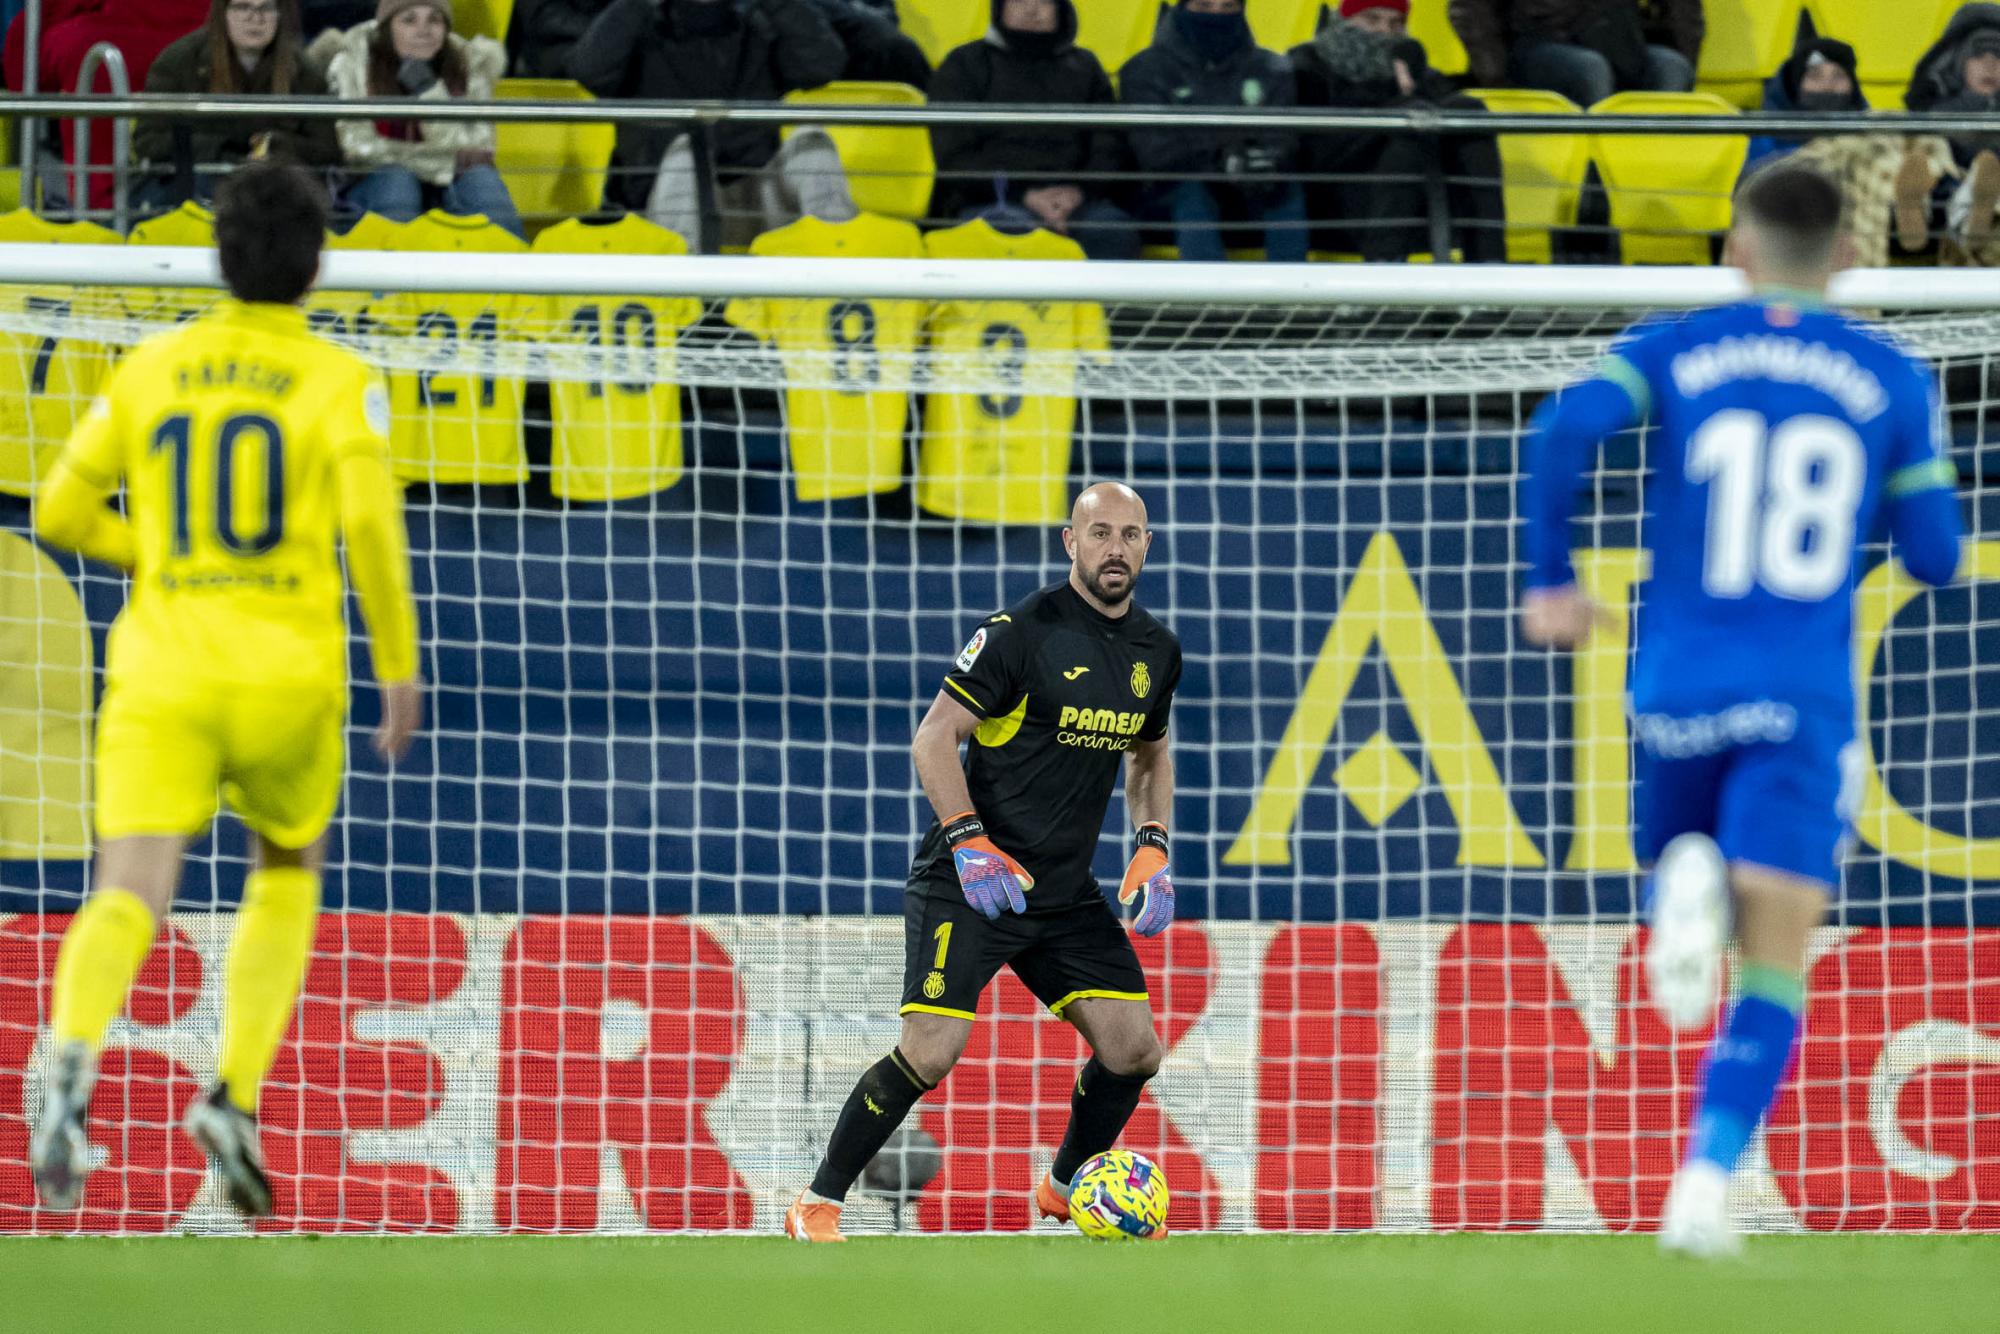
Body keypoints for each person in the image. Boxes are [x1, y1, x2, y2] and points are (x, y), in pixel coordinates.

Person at [1517, 161, 1963, 1257]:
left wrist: (1551, 580)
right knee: (1773, 961)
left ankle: (1685, 871)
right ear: (1847, 256)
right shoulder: (1890, 378)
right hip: (1799, 696)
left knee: (1685, 853)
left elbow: (1560, 432)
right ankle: (1702, 1185)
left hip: (1673, 682)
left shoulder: (1674, 348)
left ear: (1735, 249)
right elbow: (1935, 557)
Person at [28, 162, 423, 1219]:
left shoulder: (152, 366)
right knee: (286, 865)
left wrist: (158, 554)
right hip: (288, 674)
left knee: (128, 887)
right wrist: (397, 662)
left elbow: (58, 511)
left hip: (164, 668)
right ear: (317, 264)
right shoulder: (337, 378)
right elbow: (370, 528)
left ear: (218, 257)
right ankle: (233, 1096)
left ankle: (68, 1066)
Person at [784, 482, 1183, 1242]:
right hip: (971, 883)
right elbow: (934, 737)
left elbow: (1150, 752)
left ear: (1147, 546)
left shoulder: (1157, 651)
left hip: (1062, 894)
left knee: (1134, 1051)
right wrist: (968, 839)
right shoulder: (1018, 634)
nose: (1116, 549)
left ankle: (1063, 1188)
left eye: (1131, 535)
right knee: (931, 1053)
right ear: (1070, 542)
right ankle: (817, 1202)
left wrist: (1153, 842)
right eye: (1100, 532)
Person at [568, 0, 852, 250]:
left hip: (751, 200)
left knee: (812, 143)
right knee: (686, 154)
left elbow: (823, 66)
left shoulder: (762, 25)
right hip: (658, 200)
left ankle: (837, 278)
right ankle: (685, 288)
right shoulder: (640, 24)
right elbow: (588, 72)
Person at [1291, 0, 1505, 262]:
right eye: (1372, 19)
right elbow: (1314, 153)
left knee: (1468, 110)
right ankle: (1384, 261)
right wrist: (1395, 105)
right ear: (1344, 20)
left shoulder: (1415, 69)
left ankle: (1489, 259)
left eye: (1396, 23)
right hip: (1338, 200)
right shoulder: (1308, 65)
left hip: (1420, 203)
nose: (1385, 31)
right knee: (1411, 117)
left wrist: (1411, 90)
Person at [929, 0, 1136, 261]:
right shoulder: (964, 65)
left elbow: (1108, 144)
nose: (1031, 9)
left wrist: (1079, 192)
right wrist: (1024, 194)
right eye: (1019, 1)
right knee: (1012, 229)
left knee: (1111, 231)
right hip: (991, 198)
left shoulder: (1086, 67)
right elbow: (955, 154)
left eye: (1043, 1)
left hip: (1078, 200)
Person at [313, 0, 521, 237]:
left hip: (450, 184)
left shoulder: (470, 61)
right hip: (373, 184)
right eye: (409, 20)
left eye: (434, 20)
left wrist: (429, 92)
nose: (424, 30)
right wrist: (440, 160)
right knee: (398, 181)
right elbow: (356, 148)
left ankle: (510, 258)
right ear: (387, 26)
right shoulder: (354, 60)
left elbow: (480, 148)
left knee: (482, 181)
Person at [1740, 37, 1952, 269]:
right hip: (1800, 220)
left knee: (1890, 145)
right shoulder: (1769, 134)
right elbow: (1758, 179)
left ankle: (1910, 209)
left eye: (1838, 76)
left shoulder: (1869, 128)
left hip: (1877, 206)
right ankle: (1909, 214)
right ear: (1795, 86)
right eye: (1815, 76)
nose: (1828, 86)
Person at [1121, 0, 1306, 263]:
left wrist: (1264, 159)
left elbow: (1282, 136)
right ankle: (1208, 285)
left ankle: (1293, 284)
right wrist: (1219, 159)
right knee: (1191, 192)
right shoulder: (1145, 69)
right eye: (1204, 6)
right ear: (1183, 8)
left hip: (1247, 184)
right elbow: (1155, 150)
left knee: (1285, 188)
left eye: (1228, 7)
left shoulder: (1270, 67)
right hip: (1170, 191)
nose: (1216, 14)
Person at [134, 0, 342, 212]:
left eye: (266, 8)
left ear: (280, 14)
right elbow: (148, 141)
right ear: (223, 13)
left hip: (275, 191)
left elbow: (328, 151)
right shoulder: (179, 62)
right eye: (243, 7)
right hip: (194, 187)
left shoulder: (305, 73)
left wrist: (278, 146)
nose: (255, 18)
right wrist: (222, 149)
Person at [1448, 0, 1701, 108]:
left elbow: (1682, 8)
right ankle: (1594, 183)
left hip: (1619, 42)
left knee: (1673, 67)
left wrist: (1683, 53)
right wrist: (1496, 78)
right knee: (1590, 69)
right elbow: (1470, 9)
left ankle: (1659, 178)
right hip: (1534, 45)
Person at [1906, 4, 2000, 264]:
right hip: (1941, 189)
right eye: (1978, 54)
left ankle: (1971, 216)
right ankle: (1914, 209)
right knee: (1923, 147)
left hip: (1991, 201)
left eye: (1999, 54)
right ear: (1957, 60)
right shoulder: (1931, 111)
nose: (1990, 64)